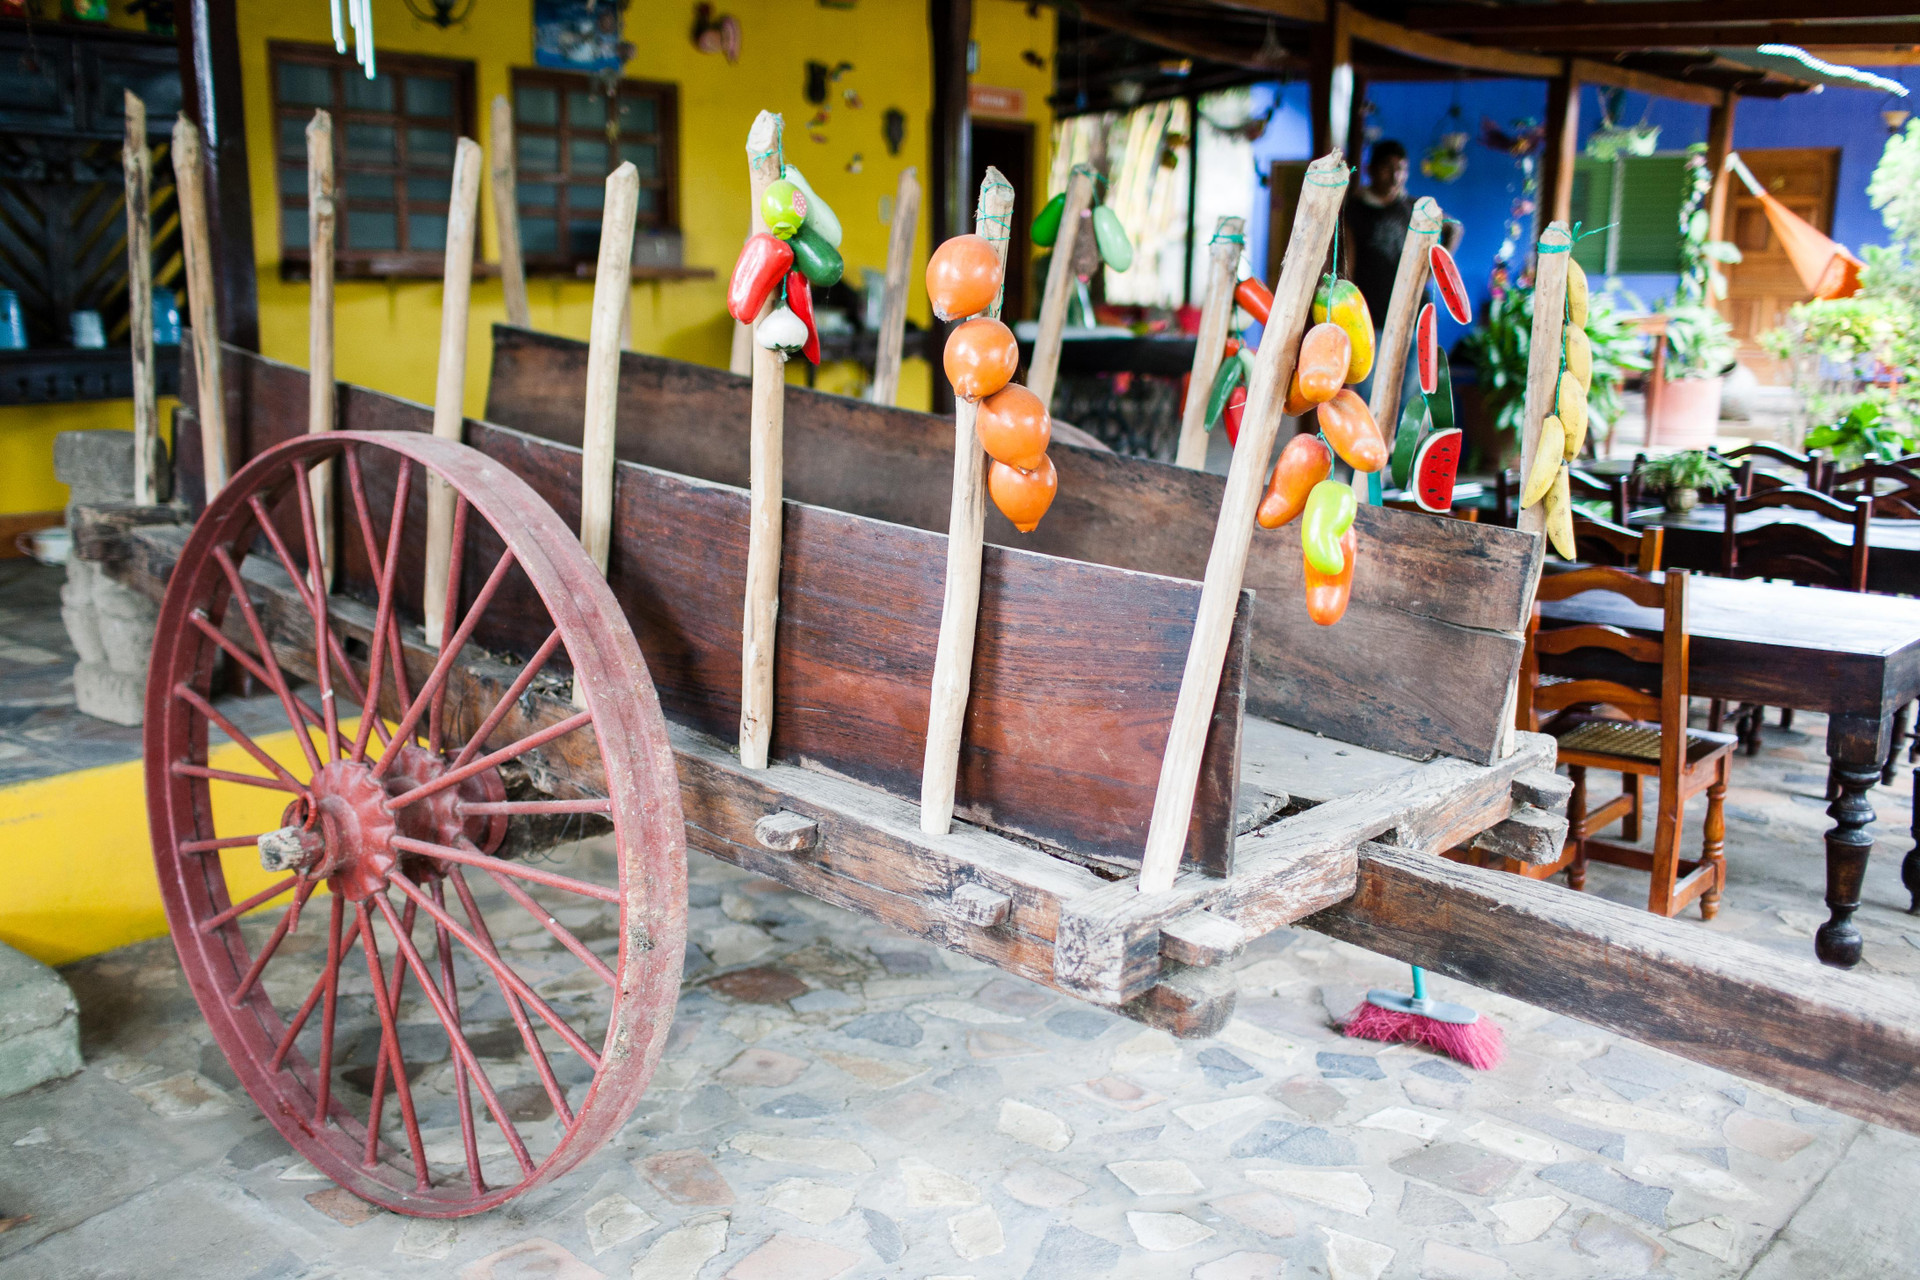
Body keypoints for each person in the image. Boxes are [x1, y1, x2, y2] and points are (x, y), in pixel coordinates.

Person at [1340, 139, 1463, 423]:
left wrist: (1435, 272)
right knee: (1370, 393)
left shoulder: (1413, 207)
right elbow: (1348, 265)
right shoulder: (1355, 210)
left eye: (1402, 169)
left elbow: (1454, 227)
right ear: (1371, 169)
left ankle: (1396, 458)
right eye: (1388, 168)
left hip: (1415, 316)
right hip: (1373, 318)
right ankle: (1367, 462)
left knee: (1409, 393)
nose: (1396, 176)